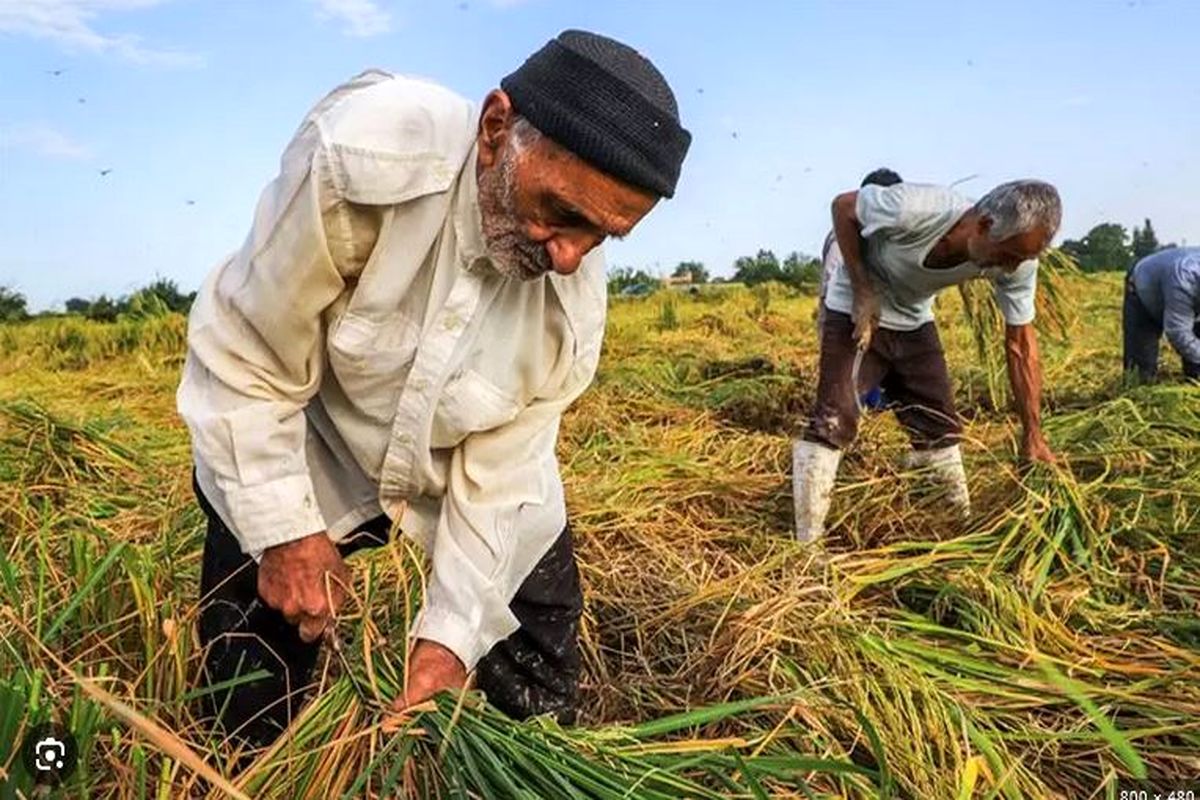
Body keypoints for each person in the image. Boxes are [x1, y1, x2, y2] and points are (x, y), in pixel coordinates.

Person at [176, 30, 690, 746]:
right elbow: (246, 352)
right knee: (249, 672)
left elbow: (503, 474)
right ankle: (246, 765)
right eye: (562, 212)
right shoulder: (363, 159)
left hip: (456, 461)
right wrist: (286, 533)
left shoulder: (568, 315)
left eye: (603, 236)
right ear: (494, 129)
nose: (570, 257)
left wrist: (448, 640)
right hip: (311, 438)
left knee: (533, 659)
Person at [792, 179, 1061, 543]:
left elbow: (1021, 345)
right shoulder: (917, 208)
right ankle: (807, 547)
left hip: (915, 317)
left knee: (940, 425)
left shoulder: (1020, 264)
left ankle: (954, 528)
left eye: (1022, 260)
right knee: (834, 419)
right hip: (856, 307)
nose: (1012, 269)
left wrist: (1033, 434)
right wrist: (861, 288)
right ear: (984, 226)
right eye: (1010, 255)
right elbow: (843, 207)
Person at [817, 167, 903, 410]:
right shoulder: (843, 237)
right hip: (849, 318)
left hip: (878, 316)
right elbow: (831, 285)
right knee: (849, 381)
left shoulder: (889, 236)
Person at [1123, 246, 1200, 382]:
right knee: (1141, 370)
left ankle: (1193, 380)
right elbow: (1178, 332)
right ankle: (1140, 393)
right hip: (1143, 291)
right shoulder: (1184, 276)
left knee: (1196, 369)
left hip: (1184, 293)